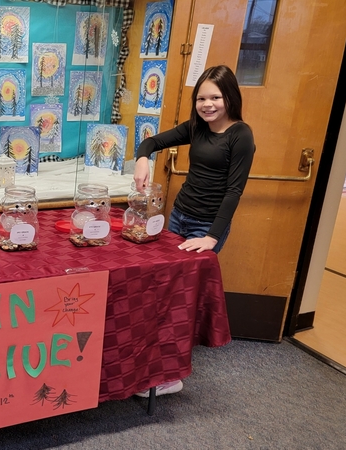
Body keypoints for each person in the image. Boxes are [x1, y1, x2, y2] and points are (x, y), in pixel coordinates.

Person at [132, 65, 255, 397]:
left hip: (206, 227)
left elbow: (234, 191)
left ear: (230, 97)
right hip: (179, 217)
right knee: (167, 290)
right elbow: (152, 141)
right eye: (201, 98)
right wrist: (142, 158)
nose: (208, 104)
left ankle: (171, 376)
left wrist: (212, 237)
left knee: (183, 297)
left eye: (215, 97)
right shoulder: (197, 128)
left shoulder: (240, 135)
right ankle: (155, 361)